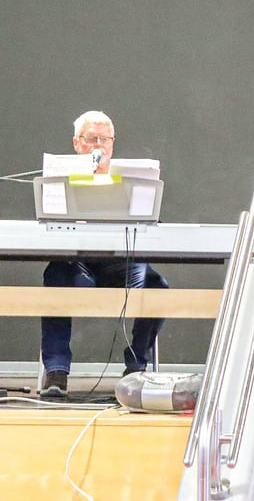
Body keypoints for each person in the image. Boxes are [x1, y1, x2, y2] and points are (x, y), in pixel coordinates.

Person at [39, 111, 169, 398]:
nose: (98, 145)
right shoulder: (60, 178)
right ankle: (57, 369)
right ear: (76, 143)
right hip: (78, 264)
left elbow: (149, 223)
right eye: (90, 139)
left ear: (112, 142)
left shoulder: (133, 180)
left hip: (120, 266)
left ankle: (136, 367)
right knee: (56, 275)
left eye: (104, 139)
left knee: (157, 286)